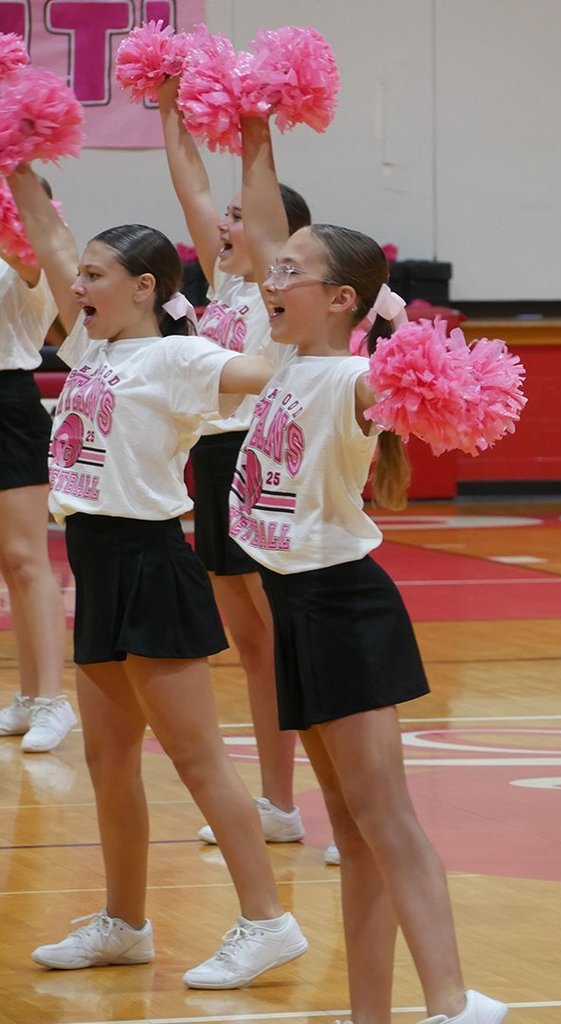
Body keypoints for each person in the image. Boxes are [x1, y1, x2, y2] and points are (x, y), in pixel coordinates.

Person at [226, 115, 506, 1024]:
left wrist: (403, 330)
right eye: (272, 270)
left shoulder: (351, 381)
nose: (271, 280)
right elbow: (259, 227)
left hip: (344, 607)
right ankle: (369, 1014)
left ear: (341, 299)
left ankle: (454, 1003)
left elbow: (431, 384)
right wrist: (253, 132)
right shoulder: (283, 362)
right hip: (297, 608)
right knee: (349, 830)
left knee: (385, 822)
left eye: (290, 273)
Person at [7, 162, 307, 988]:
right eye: (80, 275)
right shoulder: (91, 348)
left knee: (199, 761)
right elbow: (49, 237)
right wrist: (17, 153)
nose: (77, 285)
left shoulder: (181, 357)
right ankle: (125, 922)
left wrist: (306, 320)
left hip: (151, 566)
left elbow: (274, 371)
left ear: (144, 287)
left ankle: (268, 921)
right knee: (109, 764)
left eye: (95, 275)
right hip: (96, 567)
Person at [157, 77, 309, 853]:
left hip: (261, 463)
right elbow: (191, 190)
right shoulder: (222, 287)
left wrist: (256, 127)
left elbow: (264, 212)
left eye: (240, 216)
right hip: (212, 464)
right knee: (254, 648)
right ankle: (278, 804)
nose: (225, 222)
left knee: (290, 642)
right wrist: (169, 109)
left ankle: (346, 798)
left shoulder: (282, 291)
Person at [0, 178, 77, 753]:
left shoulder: (33, 255)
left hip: (8, 403)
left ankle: (52, 698)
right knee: (8, 563)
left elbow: (22, 252)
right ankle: (27, 697)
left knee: (27, 559)